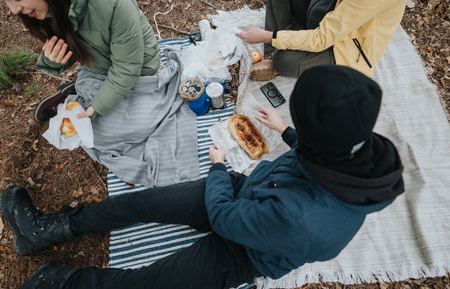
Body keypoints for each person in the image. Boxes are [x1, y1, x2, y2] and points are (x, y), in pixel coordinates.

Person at [2, 65, 405, 288]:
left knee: (147, 285)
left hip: (246, 250)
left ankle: (62, 284)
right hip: (252, 191)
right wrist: (286, 132)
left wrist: (215, 165)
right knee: (143, 202)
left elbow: (228, 219)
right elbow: (317, 150)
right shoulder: (355, 147)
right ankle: (48, 230)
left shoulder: (305, 219)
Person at [1, 0, 161, 121]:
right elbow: (75, 47)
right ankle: (78, 93)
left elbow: (127, 66)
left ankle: (82, 96)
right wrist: (52, 59)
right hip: (101, 67)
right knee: (88, 122)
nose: (15, 10)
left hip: (139, 71)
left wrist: (97, 108)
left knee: (108, 131)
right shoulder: (47, 9)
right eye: (7, 1)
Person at [237, 0, 412, 78]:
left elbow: (322, 38)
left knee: (284, 62)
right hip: (331, 7)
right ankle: (274, 49)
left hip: (343, 45)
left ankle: (279, 46)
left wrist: (270, 36)